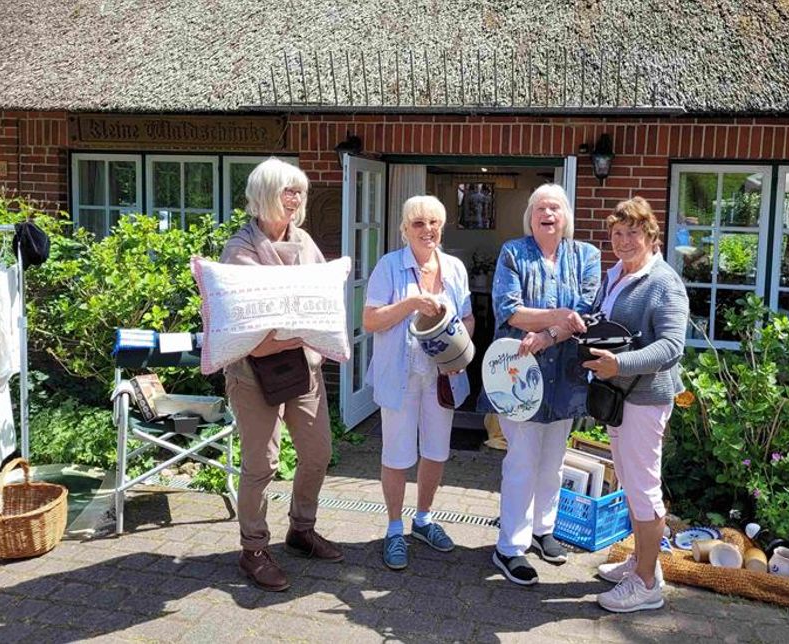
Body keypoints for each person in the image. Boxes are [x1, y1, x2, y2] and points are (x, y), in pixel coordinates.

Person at [221, 158, 343, 592]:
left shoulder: (304, 242)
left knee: (318, 453)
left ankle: (301, 530)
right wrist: (298, 322)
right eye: (287, 190)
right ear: (264, 194)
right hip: (252, 374)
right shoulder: (240, 250)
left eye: (299, 191)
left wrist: (297, 323)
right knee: (261, 464)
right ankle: (253, 549)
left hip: (301, 367)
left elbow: (319, 302)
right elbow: (253, 332)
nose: (295, 199)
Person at [487, 183, 601, 585]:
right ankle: (510, 547)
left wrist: (549, 335)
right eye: (540, 208)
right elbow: (509, 310)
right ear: (530, 217)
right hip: (520, 374)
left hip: (566, 375)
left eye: (555, 208)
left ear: (565, 216)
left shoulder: (586, 255)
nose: (547, 214)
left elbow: (585, 313)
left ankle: (542, 529)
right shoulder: (513, 253)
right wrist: (558, 316)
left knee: (553, 460)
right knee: (521, 461)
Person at [582, 196, 689, 613]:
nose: (623, 241)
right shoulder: (615, 274)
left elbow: (672, 347)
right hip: (619, 396)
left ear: (651, 235)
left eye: (632, 233)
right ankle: (642, 563)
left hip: (644, 399)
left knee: (644, 491)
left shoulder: (663, 282)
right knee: (630, 482)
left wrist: (619, 364)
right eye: (617, 233)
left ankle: (646, 585)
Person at [363, 195, 475, 570]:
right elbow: (370, 320)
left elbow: (468, 319)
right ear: (405, 229)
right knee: (397, 454)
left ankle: (423, 520)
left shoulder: (454, 268)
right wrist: (411, 304)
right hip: (401, 374)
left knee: (436, 451)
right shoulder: (389, 266)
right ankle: (395, 528)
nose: (428, 230)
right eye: (419, 223)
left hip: (441, 376)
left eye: (434, 223)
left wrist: (459, 353)